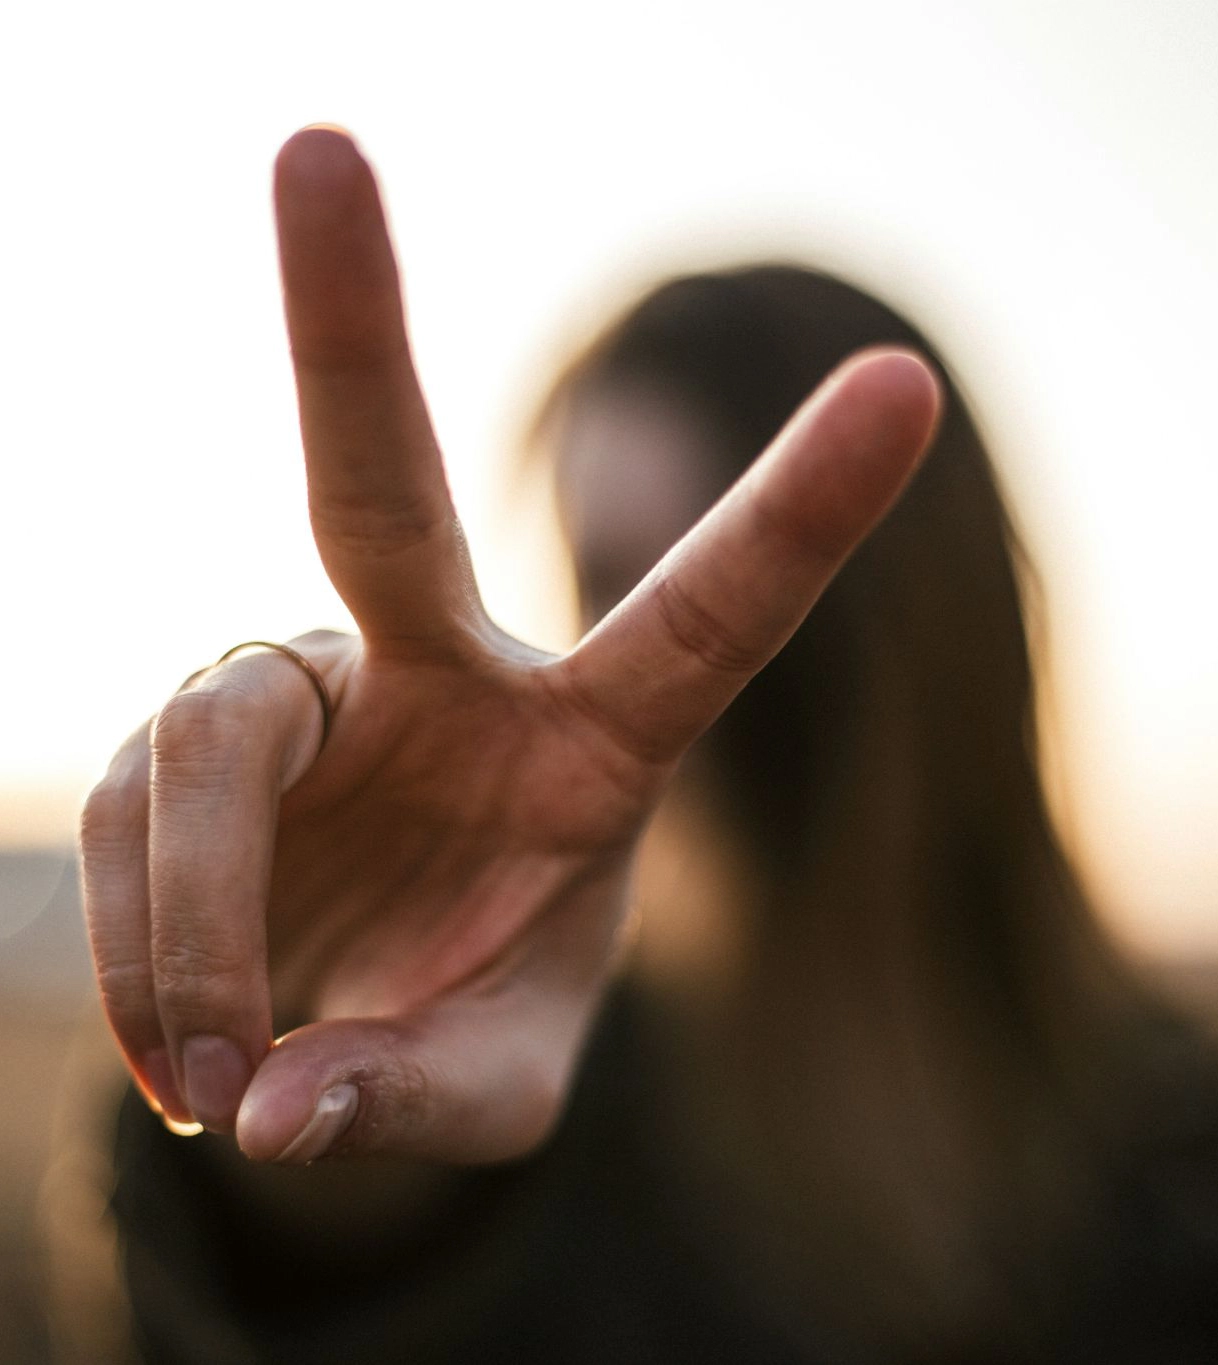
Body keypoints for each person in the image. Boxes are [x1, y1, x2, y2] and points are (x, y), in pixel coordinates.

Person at [74, 128, 1218, 1363]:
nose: (647, 663)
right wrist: (324, 1105)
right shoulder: (544, 1110)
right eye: (606, 582)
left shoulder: (1176, 1152)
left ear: (918, 623)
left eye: (742, 572)